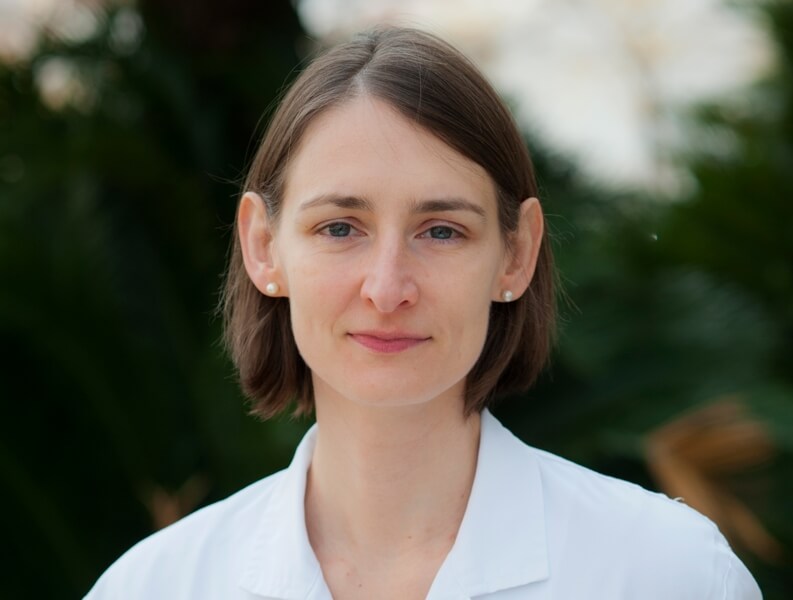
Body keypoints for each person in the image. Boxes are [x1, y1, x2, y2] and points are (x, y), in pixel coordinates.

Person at [85, 26, 761, 599]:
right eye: (340, 228)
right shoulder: (154, 588)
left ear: (516, 254)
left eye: (441, 231)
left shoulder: (668, 574)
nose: (387, 289)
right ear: (263, 247)